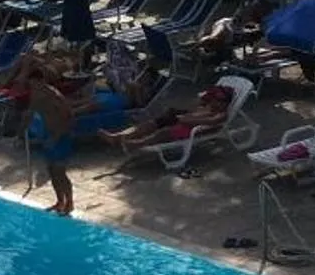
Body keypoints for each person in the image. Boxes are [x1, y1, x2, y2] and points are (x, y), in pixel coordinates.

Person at [24, 72, 129, 216]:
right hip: (48, 135)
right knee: (51, 171)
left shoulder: (55, 96)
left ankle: (70, 202)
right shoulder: (36, 95)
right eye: (31, 85)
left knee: (60, 172)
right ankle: (60, 201)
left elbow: (69, 118)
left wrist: (57, 136)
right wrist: (25, 127)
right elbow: (31, 111)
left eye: (35, 84)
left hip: (61, 137)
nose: (33, 87)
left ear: (42, 81)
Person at [109, 81, 237, 150]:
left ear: (225, 103)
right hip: (185, 121)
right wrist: (194, 109)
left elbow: (208, 123)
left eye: (217, 101)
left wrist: (188, 119)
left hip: (192, 128)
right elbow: (194, 107)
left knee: (163, 132)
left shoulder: (221, 114)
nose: (214, 102)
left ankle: (136, 144)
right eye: (213, 100)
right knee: (154, 123)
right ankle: (119, 137)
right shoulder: (208, 107)